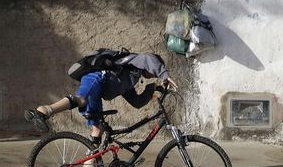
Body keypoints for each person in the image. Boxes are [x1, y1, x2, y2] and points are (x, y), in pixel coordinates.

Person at [24, 51, 177, 145]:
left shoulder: (130, 79)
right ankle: (43, 111)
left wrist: (151, 89)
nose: (153, 75)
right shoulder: (136, 61)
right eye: (154, 72)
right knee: (81, 99)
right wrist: (164, 74)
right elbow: (148, 59)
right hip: (98, 77)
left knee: (98, 129)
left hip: (100, 89)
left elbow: (136, 102)